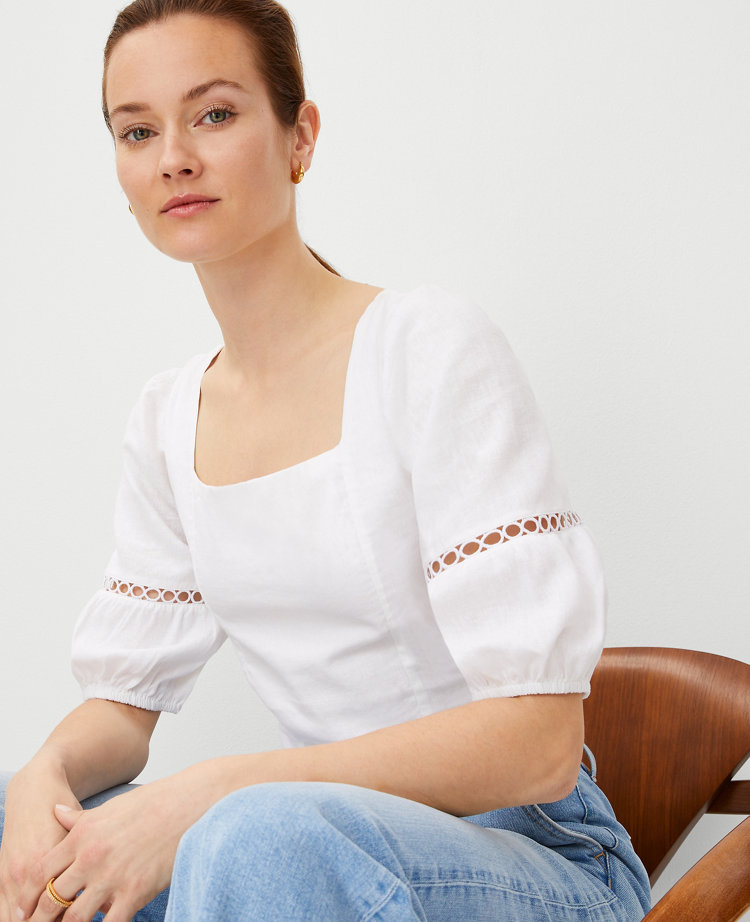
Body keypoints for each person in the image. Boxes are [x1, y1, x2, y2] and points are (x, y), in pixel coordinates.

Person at [0, 1, 651, 920]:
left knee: (251, 835)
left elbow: (540, 745)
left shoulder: (426, 348)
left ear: (299, 136)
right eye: (137, 131)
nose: (174, 157)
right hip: (303, 850)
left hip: (535, 854)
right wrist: (42, 774)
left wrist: (217, 791)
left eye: (214, 114)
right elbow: (120, 706)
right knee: (19, 818)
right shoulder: (168, 419)